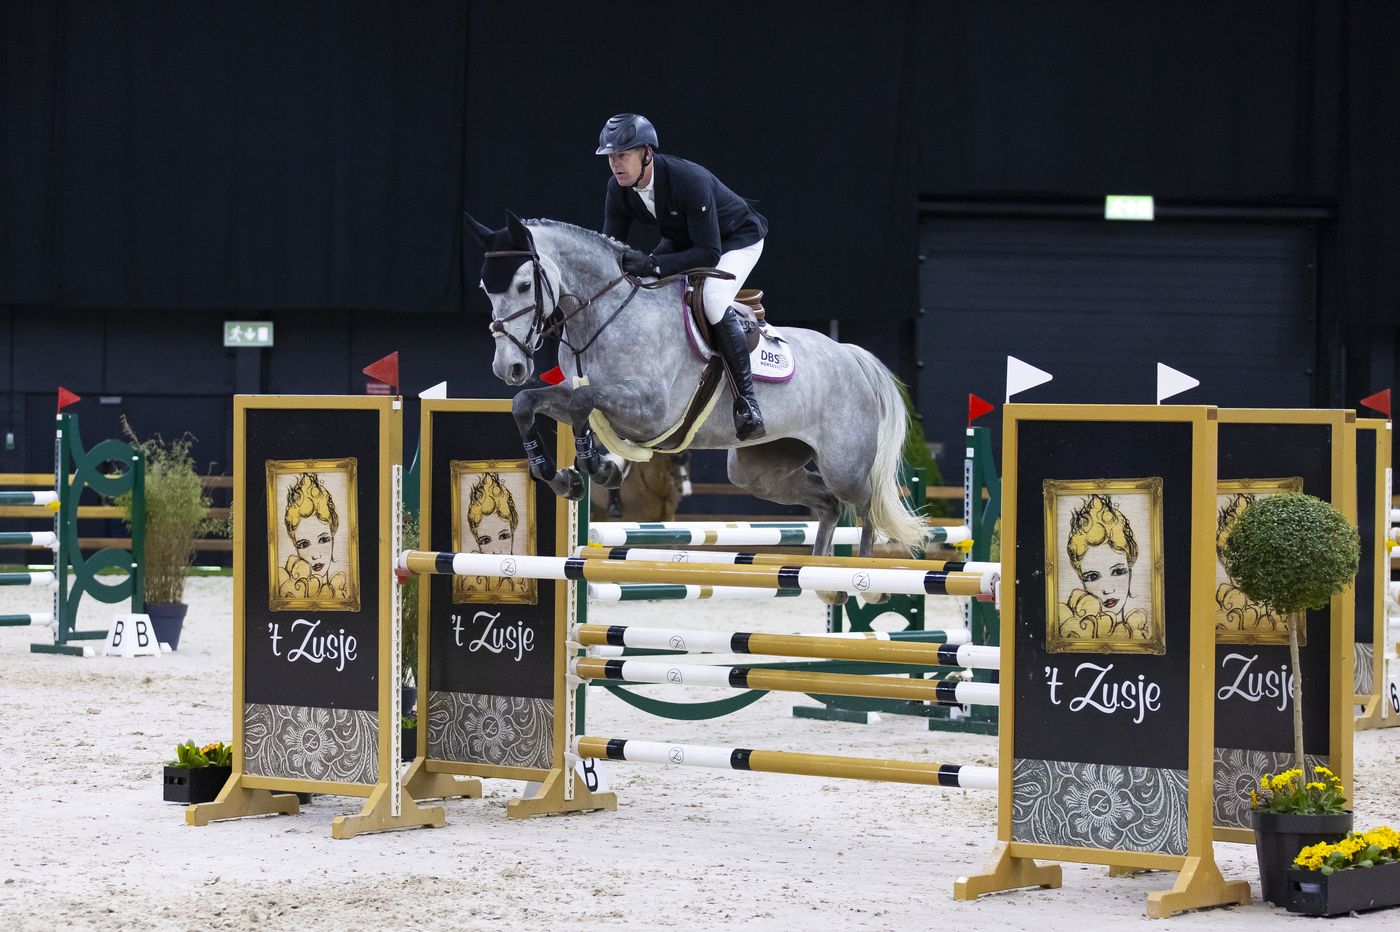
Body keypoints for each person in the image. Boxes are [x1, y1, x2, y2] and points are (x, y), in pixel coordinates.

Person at [596, 112, 769, 441]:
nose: (615, 164)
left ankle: (748, 403)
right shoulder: (617, 189)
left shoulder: (689, 180)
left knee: (713, 299)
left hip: (737, 239)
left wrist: (652, 264)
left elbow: (709, 253)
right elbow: (610, 247)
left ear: (647, 153)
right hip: (688, 238)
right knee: (642, 287)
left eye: (623, 155)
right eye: (610, 157)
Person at [1056, 494, 1150, 641]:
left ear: (1130, 573)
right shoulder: (1068, 630)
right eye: (1093, 576)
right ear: (1082, 581)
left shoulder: (1141, 632)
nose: (1108, 589)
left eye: (1118, 571)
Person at [276, 472, 350, 601]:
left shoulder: (342, 591)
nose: (316, 555)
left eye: (323, 539)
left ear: (333, 534)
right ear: (294, 544)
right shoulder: (286, 589)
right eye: (304, 544)